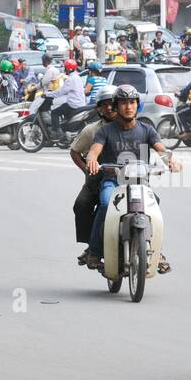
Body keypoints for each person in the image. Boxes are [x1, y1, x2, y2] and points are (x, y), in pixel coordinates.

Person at [82, 84, 181, 269]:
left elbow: (161, 149)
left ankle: (157, 252)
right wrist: (93, 161)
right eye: (124, 103)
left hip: (140, 183)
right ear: (116, 106)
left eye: (132, 103)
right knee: (105, 204)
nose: (128, 107)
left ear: (137, 105)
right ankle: (94, 251)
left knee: (154, 208)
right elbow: (94, 151)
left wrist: (170, 161)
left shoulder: (147, 130)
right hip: (113, 181)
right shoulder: (106, 131)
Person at [70, 85, 119, 262]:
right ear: (98, 108)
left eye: (112, 103)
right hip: (99, 179)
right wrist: (88, 170)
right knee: (82, 204)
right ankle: (92, 245)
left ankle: (154, 250)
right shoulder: (93, 130)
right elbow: (75, 151)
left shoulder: (134, 126)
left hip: (130, 179)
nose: (109, 108)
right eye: (103, 105)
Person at [48, 58, 86, 134]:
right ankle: (65, 129)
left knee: (54, 112)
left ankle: (57, 132)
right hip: (80, 103)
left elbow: (61, 92)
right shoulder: (77, 77)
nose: (64, 69)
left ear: (68, 68)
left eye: (65, 67)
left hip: (73, 104)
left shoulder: (71, 79)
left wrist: (48, 94)